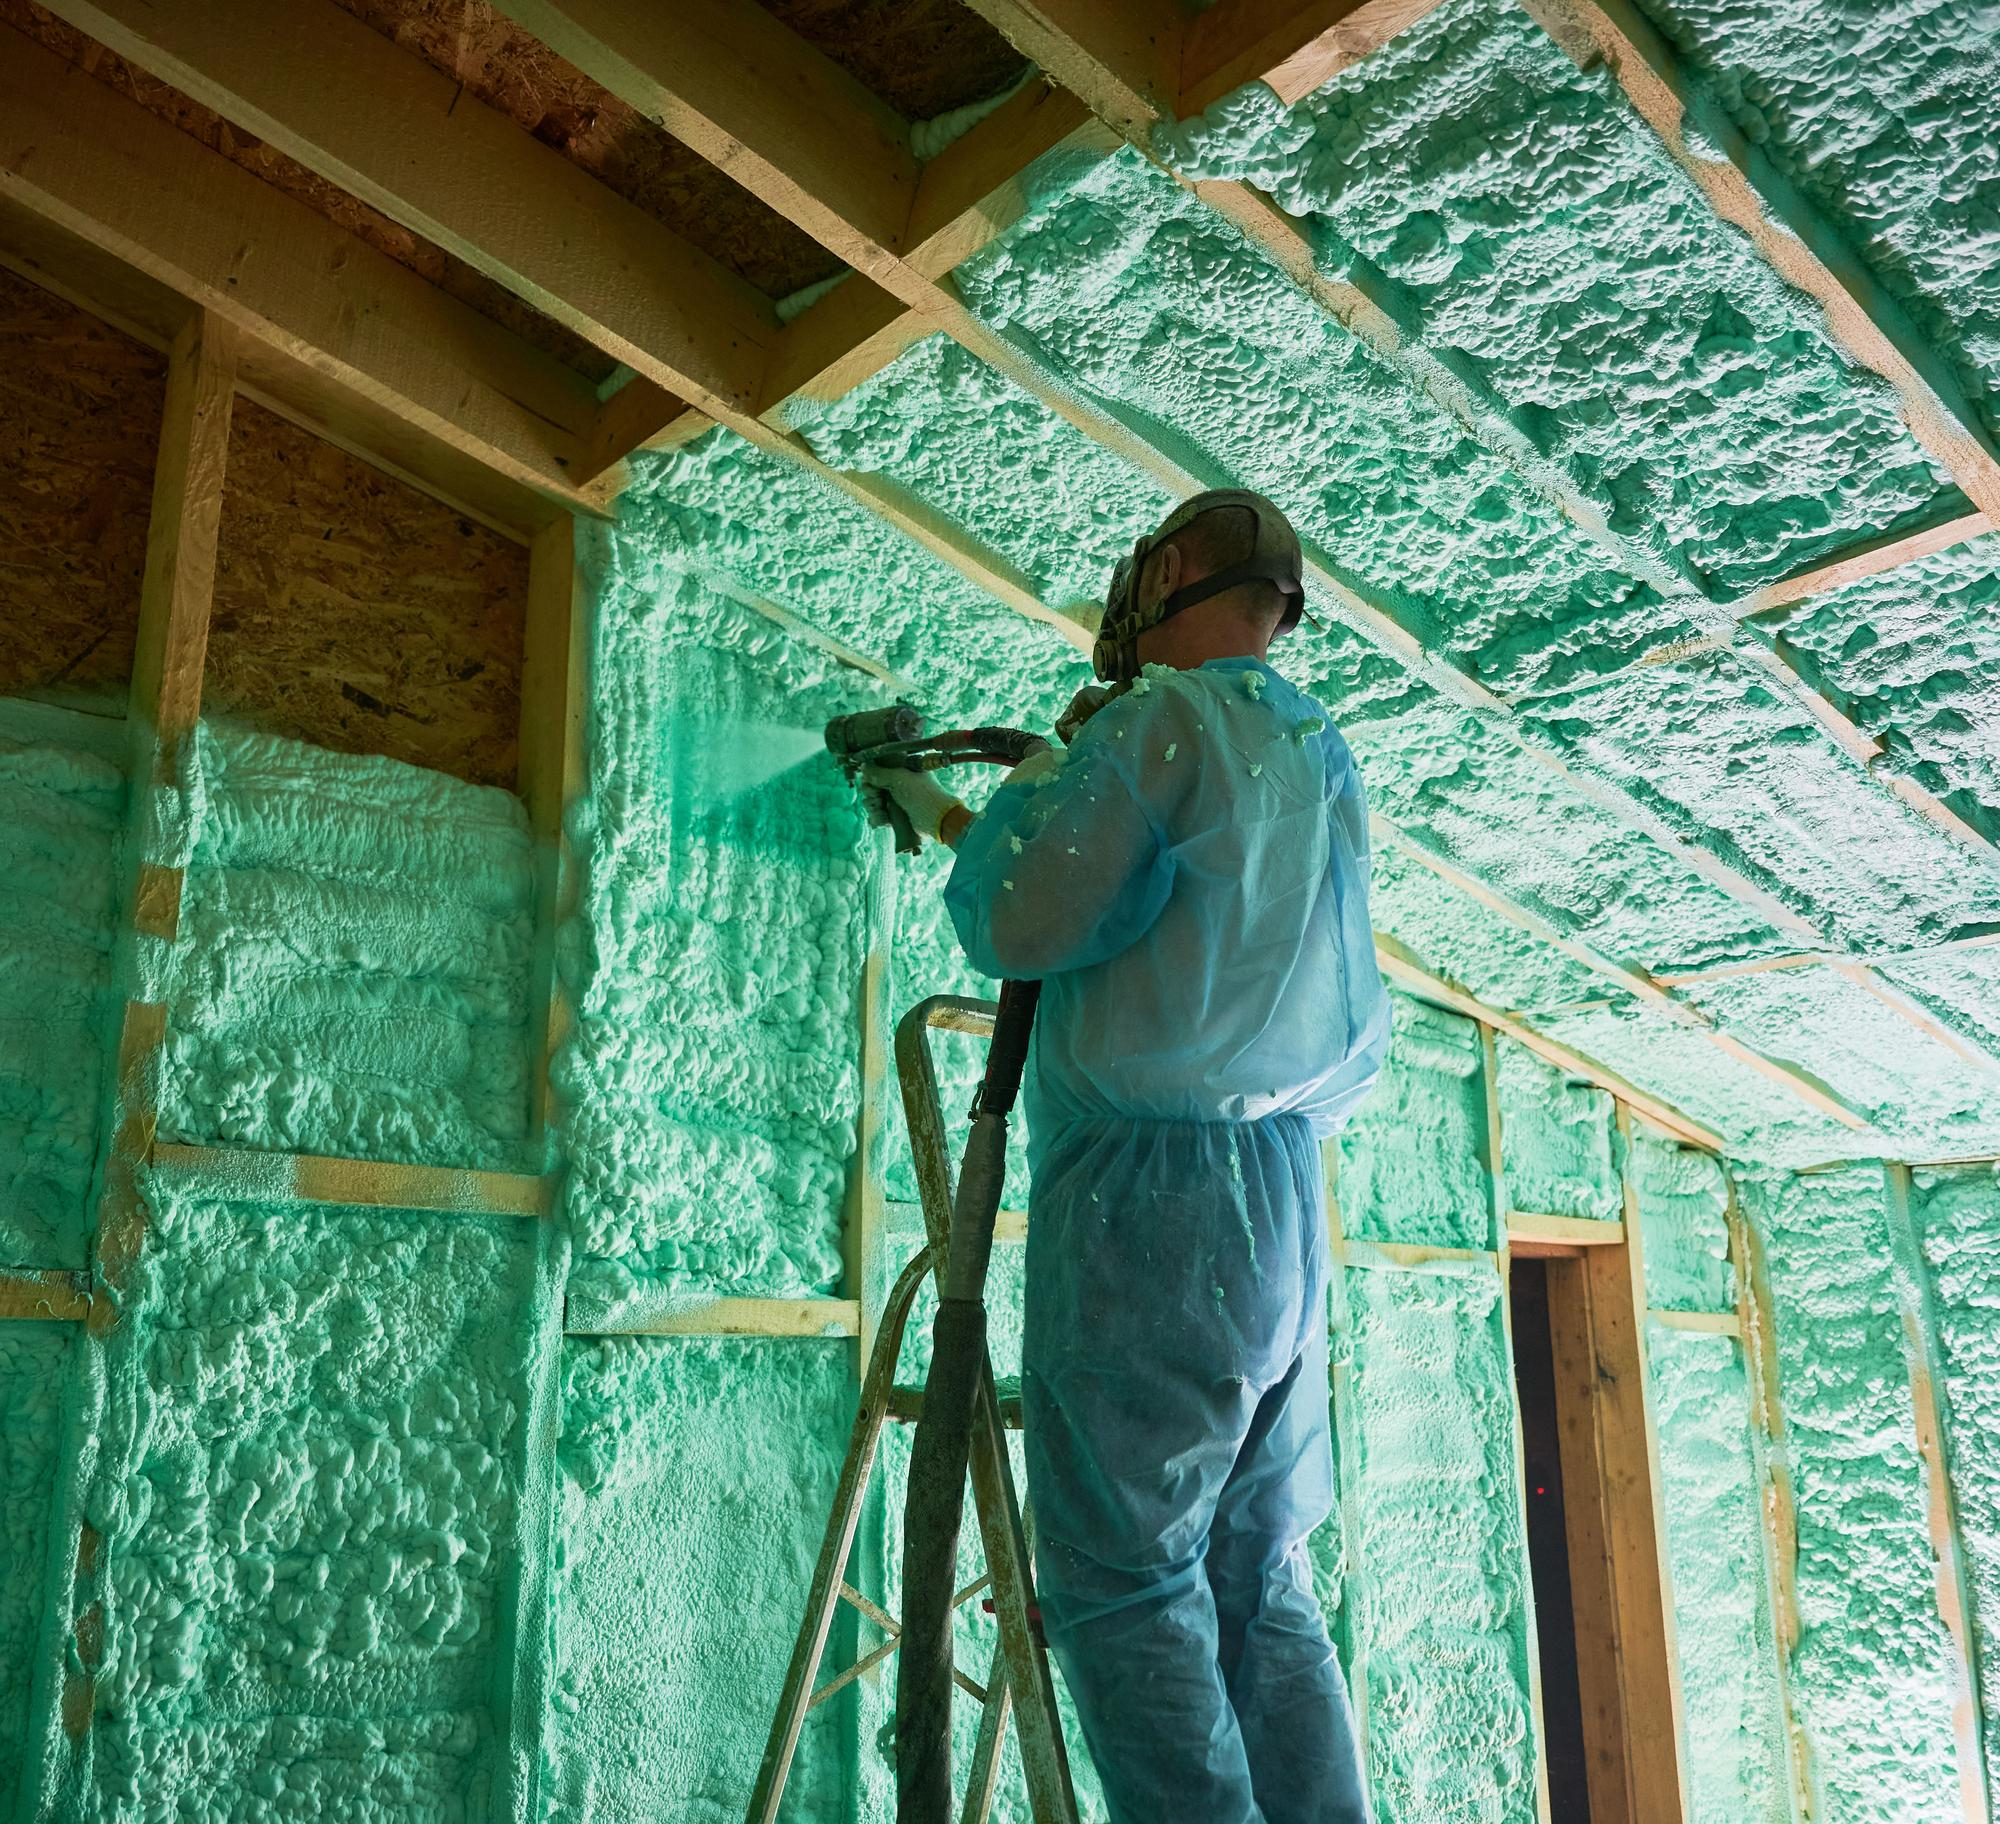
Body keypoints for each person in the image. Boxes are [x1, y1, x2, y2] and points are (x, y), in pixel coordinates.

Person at [866, 490, 1389, 1824]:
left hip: (1152, 1209)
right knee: (1256, 1579)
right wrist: (972, 798)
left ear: (1166, 574)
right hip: (1282, 1201)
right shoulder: (1317, 749)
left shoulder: (1164, 721)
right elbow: (1171, 914)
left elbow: (1032, 914)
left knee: (1124, 1587)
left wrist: (1002, 804)